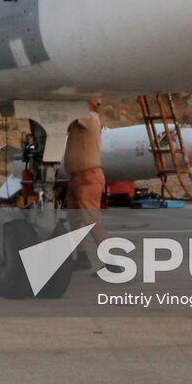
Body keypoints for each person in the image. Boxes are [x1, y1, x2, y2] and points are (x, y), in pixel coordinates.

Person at [64, 98, 107, 266]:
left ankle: (112, 262)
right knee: (74, 218)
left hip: (88, 178)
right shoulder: (80, 121)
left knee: (91, 220)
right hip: (77, 178)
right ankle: (82, 257)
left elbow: (68, 111)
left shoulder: (89, 117)